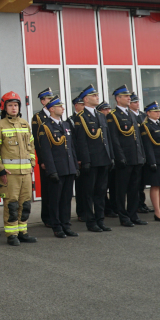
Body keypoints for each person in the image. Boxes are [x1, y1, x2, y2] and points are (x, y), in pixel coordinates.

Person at [0, 92, 38, 245]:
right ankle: (11, 235)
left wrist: (32, 163)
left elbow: (31, 145)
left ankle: (22, 232)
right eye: (10, 105)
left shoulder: (25, 124)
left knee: (25, 204)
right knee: (12, 204)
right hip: (10, 174)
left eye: (16, 105)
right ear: (4, 108)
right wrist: (1, 169)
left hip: (26, 173)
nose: (13, 108)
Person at [71, 85, 114, 233]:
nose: (97, 97)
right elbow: (81, 141)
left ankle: (100, 220)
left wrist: (111, 156)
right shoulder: (81, 117)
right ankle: (90, 221)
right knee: (88, 193)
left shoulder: (101, 116)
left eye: (97, 95)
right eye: (94, 96)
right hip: (91, 160)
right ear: (86, 99)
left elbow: (107, 138)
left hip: (103, 159)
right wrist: (85, 160)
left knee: (101, 192)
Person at [36, 96, 79, 238]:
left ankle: (66, 225)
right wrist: (51, 170)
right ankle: (57, 226)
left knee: (66, 199)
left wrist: (75, 166)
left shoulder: (66, 125)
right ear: (52, 109)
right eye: (60, 106)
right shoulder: (45, 127)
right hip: (57, 169)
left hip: (68, 168)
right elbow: (46, 151)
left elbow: (71, 148)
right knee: (55, 200)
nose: (63, 108)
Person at [106, 86, 147, 227]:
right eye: (126, 96)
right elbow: (114, 139)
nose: (129, 98)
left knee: (134, 189)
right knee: (121, 190)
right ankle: (123, 217)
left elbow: (138, 138)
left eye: (129, 96)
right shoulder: (113, 115)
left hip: (136, 157)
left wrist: (141, 155)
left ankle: (133, 214)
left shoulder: (131, 114)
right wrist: (120, 157)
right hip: (125, 158)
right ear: (118, 99)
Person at [31, 88, 54, 226]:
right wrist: (42, 159)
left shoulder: (54, 115)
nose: (51, 101)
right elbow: (37, 141)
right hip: (46, 158)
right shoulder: (38, 117)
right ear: (42, 101)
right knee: (46, 188)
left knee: (55, 188)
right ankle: (47, 217)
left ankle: (56, 215)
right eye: (49, 99)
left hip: (56, 157)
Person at [129, 94, 151, 214]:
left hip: (143, 150)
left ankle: (142, 203)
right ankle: (137, 204)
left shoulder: (143, 115)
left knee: (142, 181)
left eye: (138, 102)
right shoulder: (129, 115)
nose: (137, 104)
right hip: (135, 151)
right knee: (135, 183)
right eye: (134, 102)